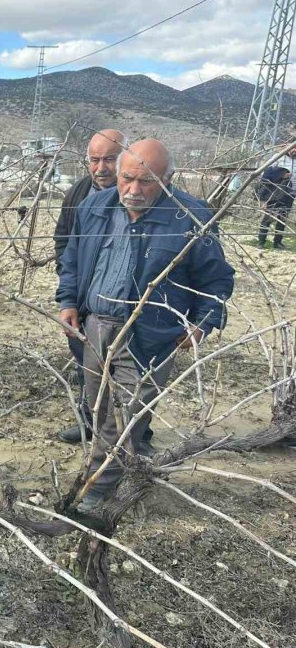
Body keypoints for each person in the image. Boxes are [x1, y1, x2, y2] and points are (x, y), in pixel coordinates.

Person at [57, 139, 234, 514]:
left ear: (168, 180)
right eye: (127, 179)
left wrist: (203, 323)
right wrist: (69, 300)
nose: (133, 190)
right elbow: (72, 256)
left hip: (150, 334)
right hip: (96, 326)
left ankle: (98, 493)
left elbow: (217, 279)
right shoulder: (95, 206)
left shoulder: (191, 216)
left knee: (124, 419)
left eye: (146, 182)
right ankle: (127, 471)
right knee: (99, 409)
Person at [53, 129, 128, 445]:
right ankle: (89, 424)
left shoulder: (149, 195)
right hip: (84, 302)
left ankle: (133, 433)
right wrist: (70, 290)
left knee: (127, 375)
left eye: (110, 159)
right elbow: (63, 241)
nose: (101, 168)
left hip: (124, 308)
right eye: (95, 160)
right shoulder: (78, 194)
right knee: (87, 364)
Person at [256, 165, 293, 249]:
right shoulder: (278, 158)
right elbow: (266, 175)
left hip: (288, 195)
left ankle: (278, 243)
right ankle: (261, 242)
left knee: (282, 220)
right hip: (273, 195)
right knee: (267, 219)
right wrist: (281, 175)